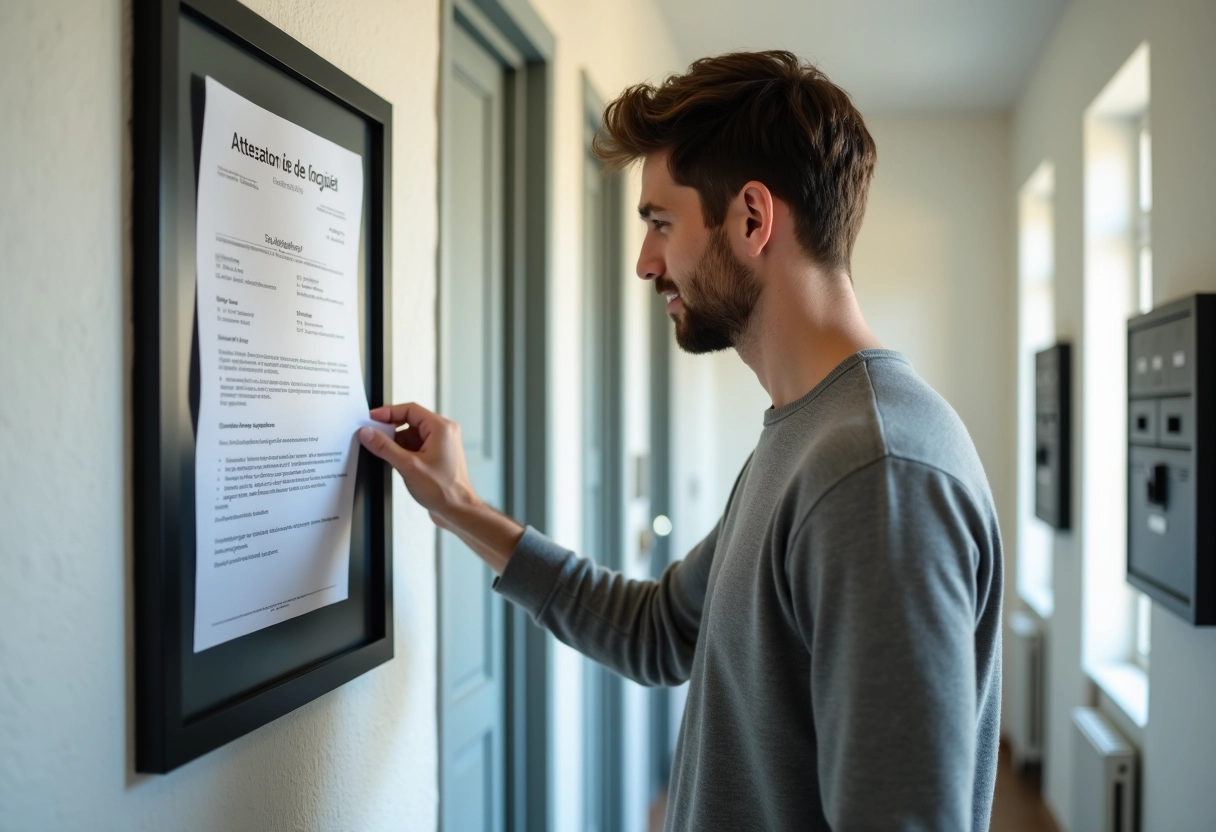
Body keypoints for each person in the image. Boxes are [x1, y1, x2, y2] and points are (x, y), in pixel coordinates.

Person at [359, 50, 1002, 831]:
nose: (644, 262)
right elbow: (658, 631)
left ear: (753, 218)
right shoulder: (805, 436)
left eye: (661, 223)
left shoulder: (877, 474)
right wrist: (458, 506)